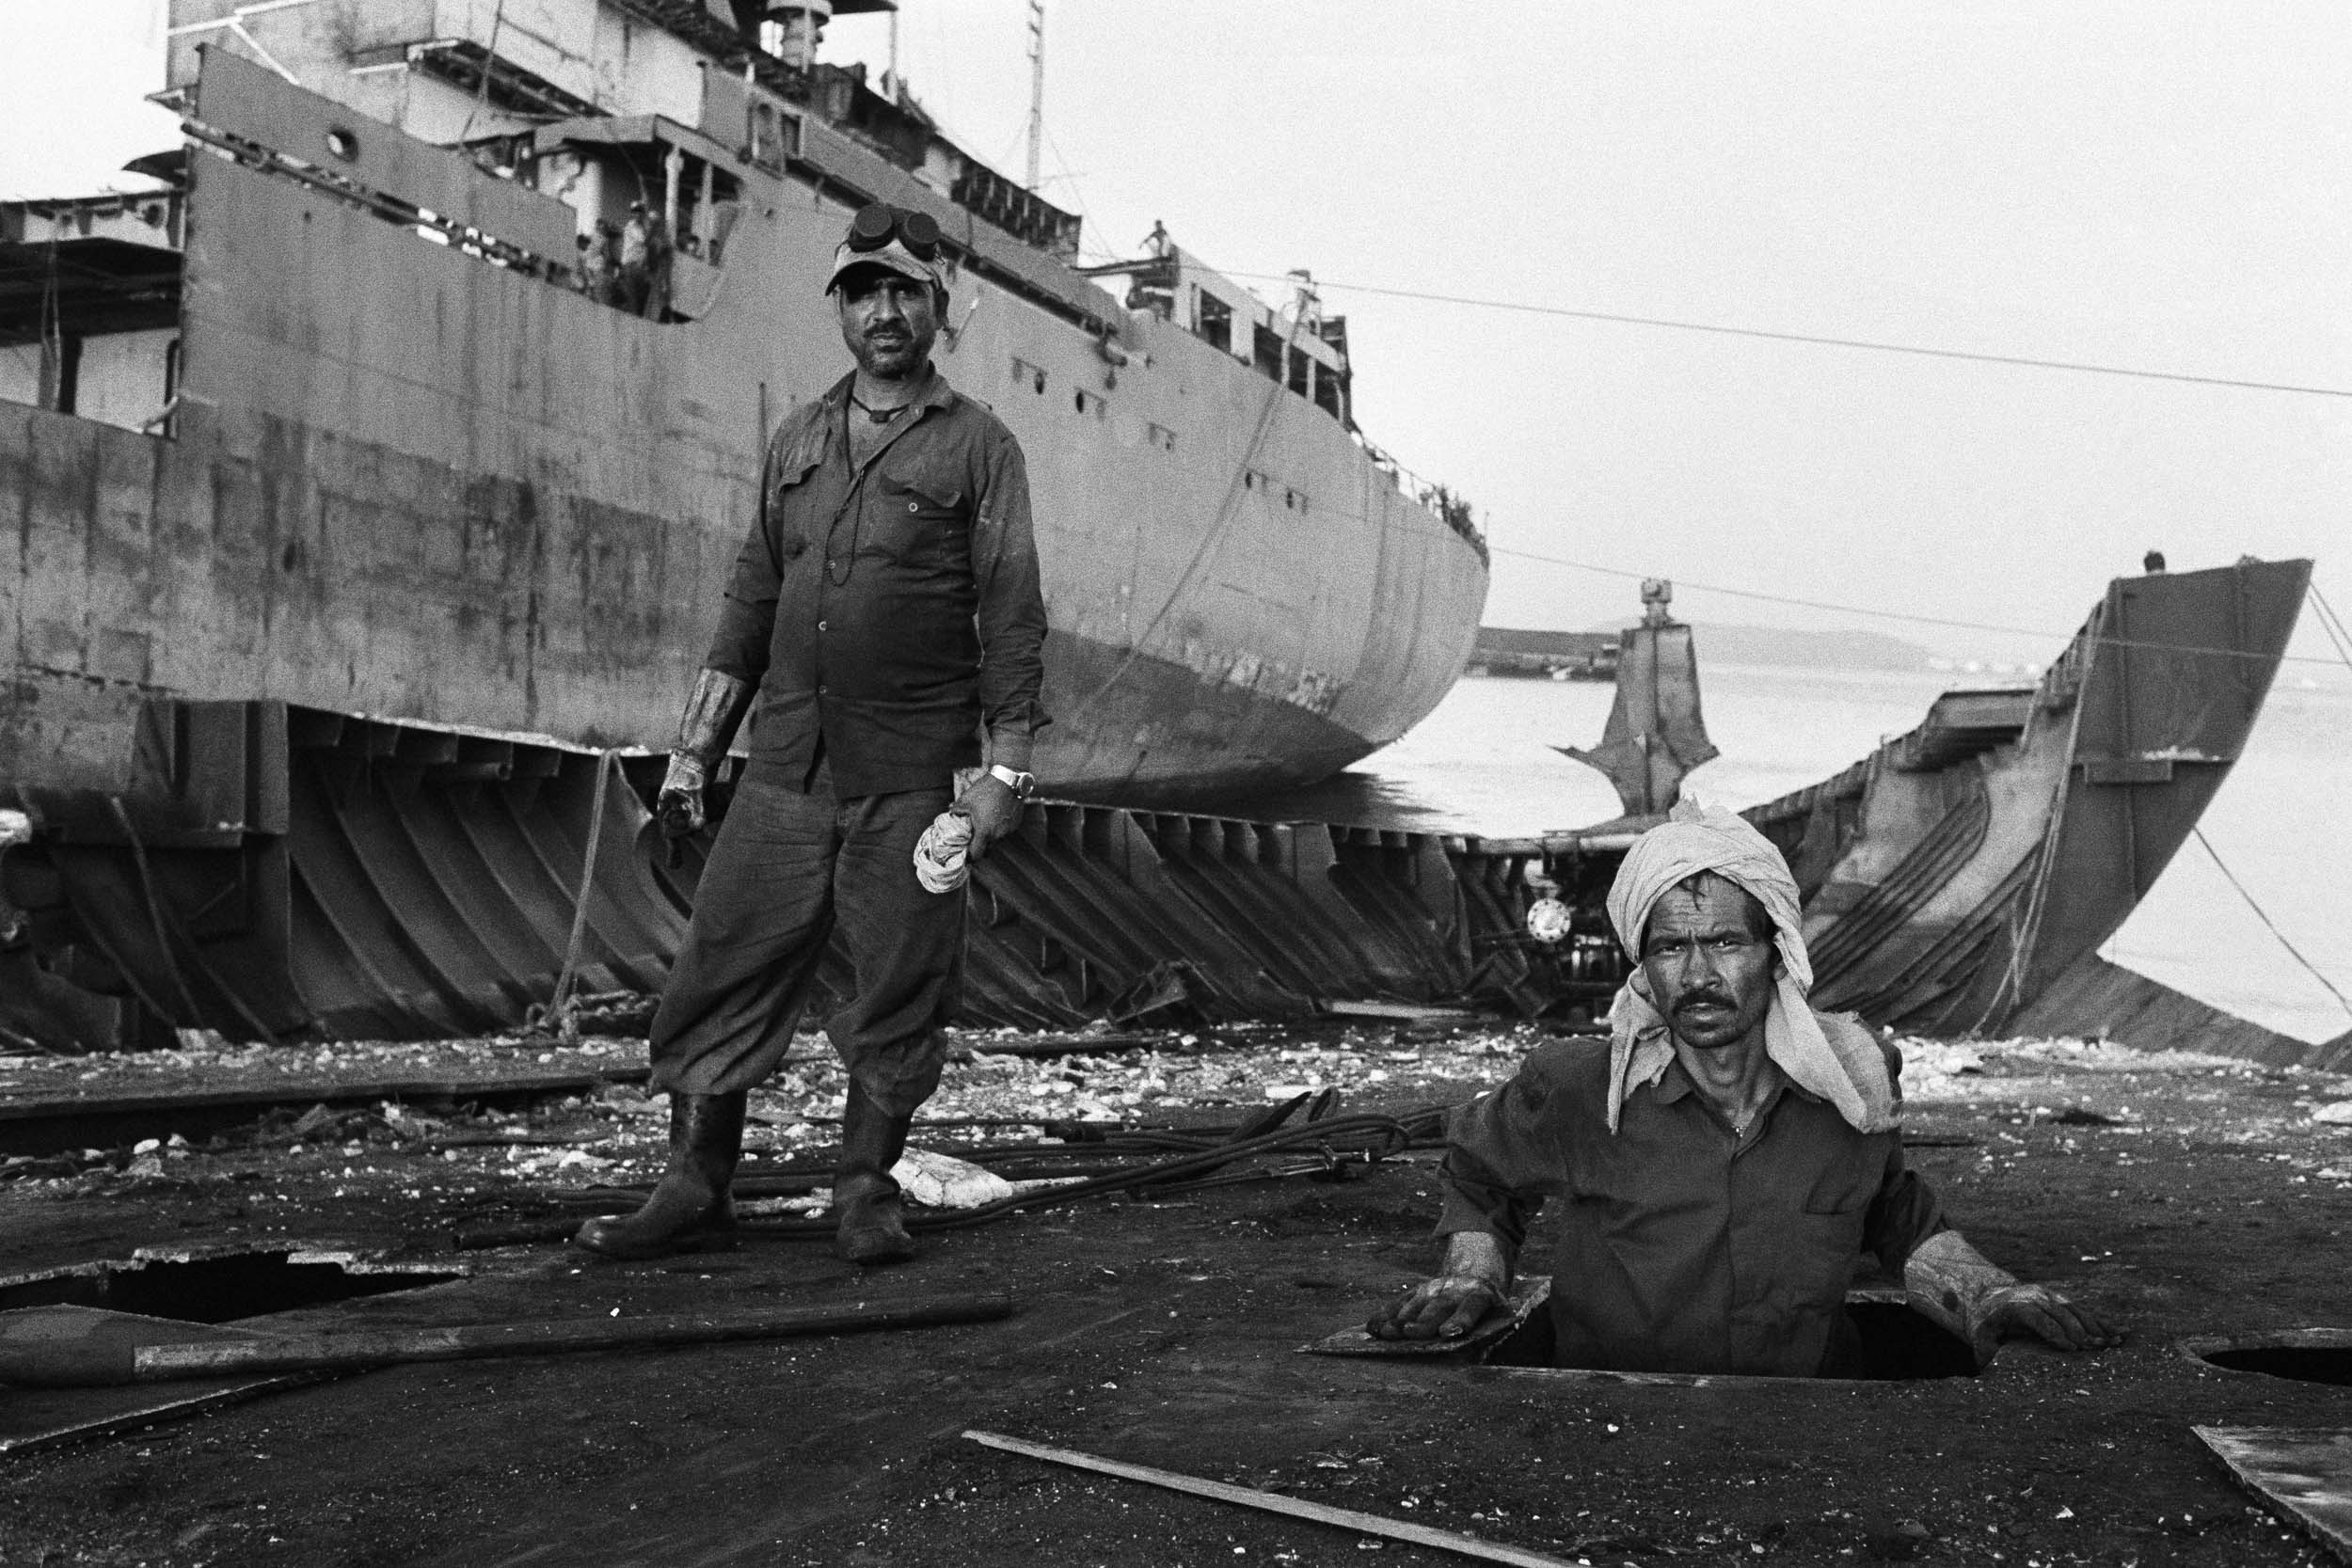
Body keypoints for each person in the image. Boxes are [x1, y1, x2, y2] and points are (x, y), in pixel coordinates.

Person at [576, 203, 1047, 1266]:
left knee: (898, 982)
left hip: (913, 774)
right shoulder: (797, 436)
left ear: (938, 308)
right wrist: (694, 753)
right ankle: (696, 1184)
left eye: (903, 292)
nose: (883, 311)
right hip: (785, 767)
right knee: (721, 964)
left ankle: (863, 1192)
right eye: (862, 291)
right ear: (839, 306)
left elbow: (1011, 610)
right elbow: (750, 601)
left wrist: (1004, 770)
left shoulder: (980, 447)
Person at [1368, 800, 2121, 1375]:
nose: (1697, 976)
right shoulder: (1579, 1088)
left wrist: (1990, 1291)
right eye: (1669, 946)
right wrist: (1471, 1274)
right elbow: (1478, 1170)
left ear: (1777, 954)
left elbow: (1897, 1219)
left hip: (1811, 1435)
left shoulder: (1848, 1092)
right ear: (1643, 967)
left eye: (1725, 941)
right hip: (1613, 1425)